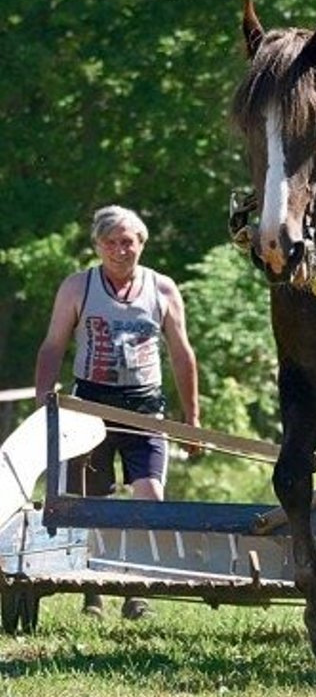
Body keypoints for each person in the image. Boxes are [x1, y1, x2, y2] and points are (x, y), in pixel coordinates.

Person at [34, 204, 200, 619]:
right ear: (97, 245)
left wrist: (191, 418)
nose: (119, 250)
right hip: (89, 406)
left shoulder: (162, 290)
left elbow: (182, 354)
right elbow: (53, 344)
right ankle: (95, 591)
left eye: (127, 242)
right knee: (94, 500)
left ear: (141, 244)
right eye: (110, 242)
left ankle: (137, 591)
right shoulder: (78, 287)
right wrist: (44, 403)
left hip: (145, 408)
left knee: (151, 498)